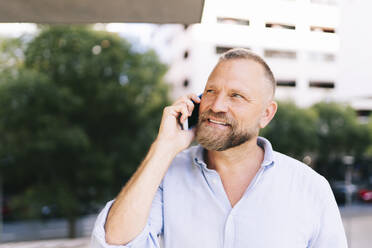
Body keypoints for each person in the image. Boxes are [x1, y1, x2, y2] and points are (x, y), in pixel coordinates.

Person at [91, 48, 348, 248]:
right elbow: (114, 242)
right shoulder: (167, 175)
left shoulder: (310, 188)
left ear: (266, 114)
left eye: (236, 96)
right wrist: (163, 148)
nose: (217, 105)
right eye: (211, 91)